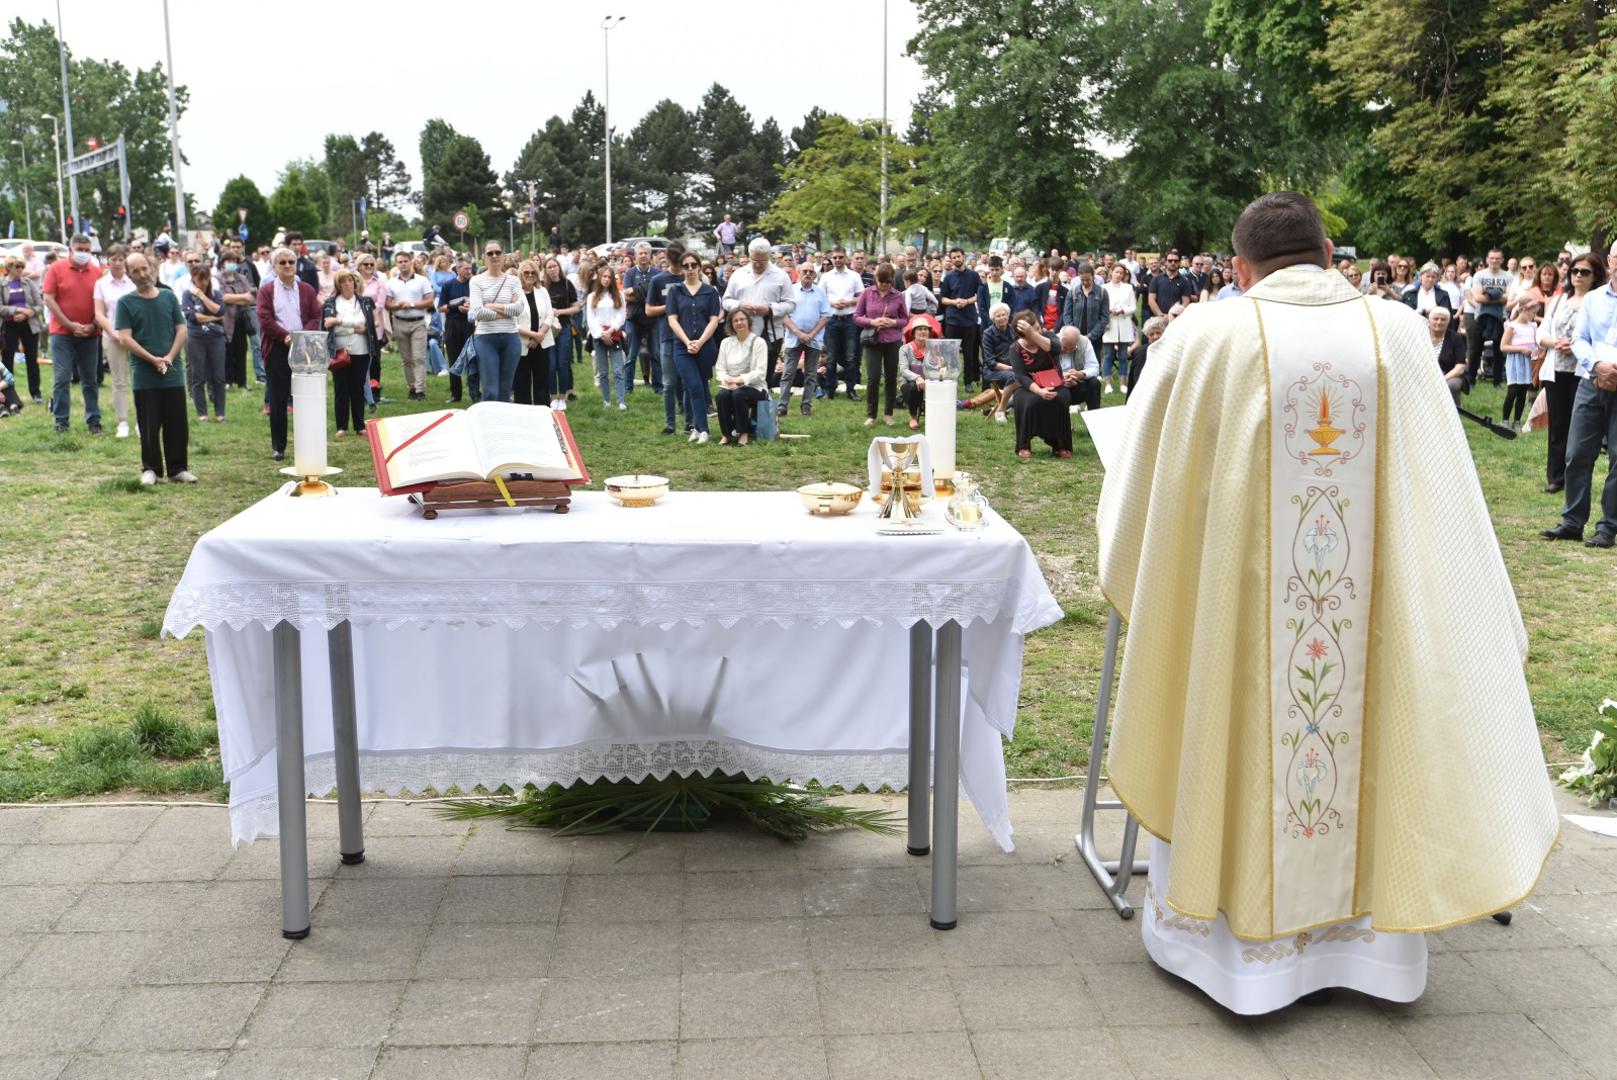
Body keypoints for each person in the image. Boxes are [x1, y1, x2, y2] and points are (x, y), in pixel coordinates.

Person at [1097, 191, 1557, 1016]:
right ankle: (1369, 958)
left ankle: (1235, 962)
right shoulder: (1399, 333)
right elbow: (1441, 492)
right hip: (1373, 612)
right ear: (1328, 250)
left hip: (1234, 619)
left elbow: (1142, 486)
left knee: (1235, 724)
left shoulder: (1204, 333)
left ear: (1238, 268)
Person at [1541, 246, 1617, 549]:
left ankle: (1608, 527)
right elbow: (1580, 340)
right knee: (1576, 455)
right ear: (1610, 262)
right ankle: (1572, 522)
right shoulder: (1593, 299)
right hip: (1591, 380)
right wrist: (1598, 366)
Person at [115, 253, 193, 486]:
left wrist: (168, 357)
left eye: (144, 268)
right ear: (129, 275)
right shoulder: (126, 302)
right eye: (136, 271)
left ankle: (178, 468)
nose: (142, 274)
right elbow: (124, 338)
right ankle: (151, 469)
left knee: (177, 423)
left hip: (172, 371)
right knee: (149, 425)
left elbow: (181, 330)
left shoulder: (168, 297)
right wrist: (152, 359)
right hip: (144, 374)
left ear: (152, 268)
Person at [1537, 252, 1599, 495]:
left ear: (1595, 276)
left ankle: (1576, 476)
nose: (1578, 276)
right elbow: (1541, 332)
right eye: (1575, 271)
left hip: (1583, 372)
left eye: (1585, 272)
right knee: (1558, 425)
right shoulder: (1559, 300)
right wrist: (1554, 343)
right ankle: (1555, 477)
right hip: (1557, 369)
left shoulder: (1597, 301)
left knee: (1580, 427)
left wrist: (1578, 346)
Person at [255, 247, 321, 462]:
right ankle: (279, 447)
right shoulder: (266, 291)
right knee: (278, 399)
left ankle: (307, 441)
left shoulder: (307, 289)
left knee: (305, 397)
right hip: (277, 348)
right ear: (274, 266)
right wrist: (284, 336)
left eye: (291, 262)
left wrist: (301, 336)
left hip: (304, 348)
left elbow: (315, 315)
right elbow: (265, 319)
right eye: (282, 262)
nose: (287, 266)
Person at [42, 233, 104, 434]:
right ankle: (61, 422)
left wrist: (93, 325)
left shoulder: (96, 272)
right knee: (61, 378)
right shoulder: (55, 269)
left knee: (90, 379)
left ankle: (94, 421)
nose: (84, 254)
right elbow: (49, 299)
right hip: (62, 333)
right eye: (80, 250)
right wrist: (69, 324)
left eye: (87, 250)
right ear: (70, 249)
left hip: (90, 333)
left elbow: (101, 302)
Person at [721, 237, 796, 385]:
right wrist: (740, 305)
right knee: (740, 378)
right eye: (754, 260)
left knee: (764, 380)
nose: (757, 265)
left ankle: (762, 407)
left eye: (762, 261)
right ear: (749, 255)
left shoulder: (780, 276)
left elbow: (791, 304)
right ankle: (742, 406)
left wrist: (769, 309)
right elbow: (726, 301)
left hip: (770, 335)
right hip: (742, 335)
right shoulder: (738, 275)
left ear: (769, 256)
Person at [666, 251, 722, 444]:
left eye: (693, 265)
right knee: (694, 385)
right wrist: (687, 341)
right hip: (682, 347)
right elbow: (672, 320)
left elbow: (714, 320)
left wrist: (700, 342)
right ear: (681, 268)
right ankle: (704, 429)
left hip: (705, 346)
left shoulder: (710, 292)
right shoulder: (675, 291)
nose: (690, 269)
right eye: (686, 265)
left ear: (699, 267)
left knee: (699, 386)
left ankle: (697, 428)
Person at [1005, 309, 1073, 458]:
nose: (1039, 330)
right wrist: (1040, 391)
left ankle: (1060, 444)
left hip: (1055, 383)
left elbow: (1056, 348)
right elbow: (1021, 377)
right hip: (1029, 387)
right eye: (1033, 329)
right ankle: (1024, 444)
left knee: (1060, 400)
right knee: (1029, 402)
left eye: (1037, 326)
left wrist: (1034, 334)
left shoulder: (1048, 336)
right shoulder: (1015, 348)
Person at [467, 241, 526, 404]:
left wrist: (491, 306)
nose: (494, 256)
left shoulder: (513, 280)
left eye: (498, 252)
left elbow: (519, 308)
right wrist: (506, 311)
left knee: (505, 391)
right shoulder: (476, 281)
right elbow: (477, 311)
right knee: (490, 391)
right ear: (484, 257)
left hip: (510, 338)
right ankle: (488, 425)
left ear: (503, 256)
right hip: (485, 338)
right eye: (490, 253)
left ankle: (503, 427)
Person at [322, 269, 378, 438]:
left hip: (361, 350)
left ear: (355, 282)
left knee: (358, 388)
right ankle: (341, 426)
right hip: (340, 351)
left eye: (350, 281)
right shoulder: (331, 303)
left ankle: (359, 425)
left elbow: (368, 323)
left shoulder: (365, 301)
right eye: (343, 281)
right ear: (338, 285)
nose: (347, 284)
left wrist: (340, 321)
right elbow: (329, 325)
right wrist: (354, 328)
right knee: (341, 389)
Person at [90, 244, 137, 438]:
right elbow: (100, 314)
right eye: (113, 259)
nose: (117, 263)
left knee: (139, 380)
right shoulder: (101, 284)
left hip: (135, 337)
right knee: (119, 381)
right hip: (112, 336)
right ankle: (123, 422)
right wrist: (114, 332)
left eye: (120, 259)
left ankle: (142, 421)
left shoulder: (133, 283)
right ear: (107, 260)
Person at [854, 263, 907, 427]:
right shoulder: (867, 293)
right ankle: (871, 415)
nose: (883, 285)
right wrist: (872, 321)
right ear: (876, 278)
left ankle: (888, 413)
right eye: (880, 281)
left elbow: (905, 319)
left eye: (887, 282)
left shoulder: (898, 296)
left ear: (892, 281)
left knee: (891, 378)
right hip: (872, 341)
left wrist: (892, 322)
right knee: (873, 378)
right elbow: (856, 316)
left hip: (892, 341)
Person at [779, 261, 829, 417]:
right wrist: (799, 333)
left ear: (814, 274)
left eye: (810, 271)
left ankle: (806, 405)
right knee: (788, 373)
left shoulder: (820, 292)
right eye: (804, 271)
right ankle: (782, 406)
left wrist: (812, 334)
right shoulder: (790, 291)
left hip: (814, 339)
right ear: (798, 272)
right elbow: (783, 315)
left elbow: (826, 315)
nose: (808, 273)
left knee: (811, 374)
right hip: (794, 338)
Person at [384, 250, 435, 401]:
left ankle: (420, 390)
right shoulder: (391, 282)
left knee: (419, 357)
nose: (403, 264)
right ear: (396, 264)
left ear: (411, 261)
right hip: (400, 322)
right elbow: (387, 303)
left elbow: (429, 300)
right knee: (406, 359)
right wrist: (397, 306)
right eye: (400, 262)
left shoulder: (422, 280)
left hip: (418, 322)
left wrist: (412, 304)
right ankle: (411, 387)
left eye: (405, 261)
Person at [712, 308, 767, 445]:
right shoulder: (726, 343)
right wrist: (728, 380)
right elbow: (720, 369)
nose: (739, 323)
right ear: (731, 324)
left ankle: (743, 434)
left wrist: (739, 380)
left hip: (756, 388)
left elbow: (760, 373)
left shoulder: (759, 342)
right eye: (735, 320)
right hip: (730, 386)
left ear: (748, 321)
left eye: (742, 319)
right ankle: (726, 434)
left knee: (739, 395)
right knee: (721, 396)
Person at [181, 263, 228, 423]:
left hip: (216, 338)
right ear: (193, 278)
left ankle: (220, 412)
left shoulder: (216, 294)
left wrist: (202, 296)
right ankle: (202, 413)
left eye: (206, 279)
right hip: (195, 338)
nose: (203, 282)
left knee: (219, 376)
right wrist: (214, 318)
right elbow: (193, 317)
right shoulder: (187, 294)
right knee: (198, 376)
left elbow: (220, 310)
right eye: (199, 279)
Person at [819, 247, 864, 400]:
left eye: (840, 257)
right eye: (835, 257)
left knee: (851, 356)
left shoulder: (854, 276)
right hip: (832, 320)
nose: (837, 260)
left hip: (849, 319)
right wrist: (832, 303)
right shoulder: (826, 277)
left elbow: (861, 297)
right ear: (831, 258)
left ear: (846, 258)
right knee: (831, 357)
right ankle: (829, 389)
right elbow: (820, 298)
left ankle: (851, 389)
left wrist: (848, 302)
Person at [1, 256, 45, 404]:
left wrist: (29, 313)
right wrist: (17, 310)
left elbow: (40, 304)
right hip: (9, 326)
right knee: (7, 361)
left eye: (22, 266)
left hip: (29, 325)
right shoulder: (1, 284)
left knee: (32, 360)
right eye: (17, 266)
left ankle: (35, 392)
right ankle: (9, 394)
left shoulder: (29, 283)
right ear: (9, 268)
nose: (20, 269)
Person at [586, 263, 629, 409]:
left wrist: (611, 331)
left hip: (614, 334)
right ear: (599, 278)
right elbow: (590, 318)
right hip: (599, 336)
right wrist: (601, 334)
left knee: (618, 370)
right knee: (603, 371)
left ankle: (621, 401)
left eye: (609, 277)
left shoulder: (619, 295)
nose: (606, 279)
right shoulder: (592, 297)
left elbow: (621, 316)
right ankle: (607, 400)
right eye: (604, 276)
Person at [513, 260, 555, 406]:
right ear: (520, 274)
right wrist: (533, 335)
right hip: (521, 345)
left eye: (533, 273)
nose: (530, 275)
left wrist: (539, 336)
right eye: (526, 273)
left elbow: (550, 315)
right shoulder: (514, 294)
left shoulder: (542, 291)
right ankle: (523, 418)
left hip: (541, 344)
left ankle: (543, 413)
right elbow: (513, 322)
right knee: (521, 383)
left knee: (542, 382)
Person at [938, 247, 982, 386]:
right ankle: (949, 379)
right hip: (953, 319)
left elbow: (979, 295)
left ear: (963, 257)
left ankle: (968, 381)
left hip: (969, 319)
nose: (956, 259)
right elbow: (943, 299)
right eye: (954, 257)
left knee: (969, 353)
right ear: (951, 260)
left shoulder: (973, 276)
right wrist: (954, 302)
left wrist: (967, 301)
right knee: (949, 352)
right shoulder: (948, 277)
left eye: (958, 256)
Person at [1468, 248, 1512, 387]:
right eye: (1492, 258)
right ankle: (1470, 380)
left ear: (1502, 260)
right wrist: (1499, 295)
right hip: (1481, 316)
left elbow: (1509, 298)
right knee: (1475, 350)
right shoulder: (1479, 275)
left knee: (1499, 351)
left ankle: (1497, 381)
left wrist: (1488, 294)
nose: (1494, 261)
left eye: (1497, 258)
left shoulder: (1508, 277)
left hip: (1501, 318)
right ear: (1487, 259)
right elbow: (1477, 298)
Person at [543, 256, 579, 412]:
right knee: (550, 364)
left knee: (562, 363)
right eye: (549, 267)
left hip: (564, 327)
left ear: (559, 267)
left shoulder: (566, 284)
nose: (552, 269)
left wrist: (559, 312)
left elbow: (576, 307)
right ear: (545, 270)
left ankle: (562, 396)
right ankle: (553, 397)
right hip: (547, 329)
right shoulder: (543, 286)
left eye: (554, 266)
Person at [622, 242, 657, 395]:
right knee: (631, 355)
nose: (643, 256)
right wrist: (647, 295)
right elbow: (627, 297)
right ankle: (627, 388)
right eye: (640, 253)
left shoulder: (657, 273)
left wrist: (636, 292)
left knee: (656, 354)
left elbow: (658, 297)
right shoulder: (629, 273)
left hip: (653, 320)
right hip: (633, 319)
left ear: (650, 256)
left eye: (646, 253)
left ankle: (659, 387)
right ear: (635, 256)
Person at [218, 251, 256, 392]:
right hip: (226, 319)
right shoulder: (218, 278)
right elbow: (223, 297)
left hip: (241, 320)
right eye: (229, 260)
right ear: (223, 262)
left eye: (234, 260)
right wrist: (242, 297)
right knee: (227, 350)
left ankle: (242, 381)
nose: (231, 263)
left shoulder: (241, 278)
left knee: (241, 350)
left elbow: (251, 297)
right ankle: (227, 380)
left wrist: (237, 297)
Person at [1498, 299, 1539, 428]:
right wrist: (1520, 349)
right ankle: (1505, 420)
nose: (1534, 316)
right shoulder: (1512, 326)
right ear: (1523, 310)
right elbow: (1503, 346)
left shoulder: (1532, 326)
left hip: (1527, 361)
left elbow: (1536, 343)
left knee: (1523, 391)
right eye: (1532, 313)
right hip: (1515, 362)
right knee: (1513, 391)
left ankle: (1517, 420)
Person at [438, 259, 473, 404]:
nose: (469, 271)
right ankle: (455, 394)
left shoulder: (475, 284)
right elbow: (441, 307)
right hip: (453, 324)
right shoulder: (448, 285)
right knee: (453, 358)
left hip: (471, 324)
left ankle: (474, 392)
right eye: (465, 269)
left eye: (470, 268)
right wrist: (456, 308)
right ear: (457, 270)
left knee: (473, 358)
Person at [898, 312, 941, 429]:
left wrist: (939, 363)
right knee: (912, 387)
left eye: (926, 329)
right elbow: (903, 370)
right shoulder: (904, 349)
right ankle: (913, 417)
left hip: (929, 382)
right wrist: (917, 378)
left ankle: (938, 417)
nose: (923, 332)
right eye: (920, 329)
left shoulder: (934, 348)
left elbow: (938, 369)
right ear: (913, 333)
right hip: (909, 383)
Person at [1100, 264, 1136, 395]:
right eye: (1117, 272)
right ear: (1111, 272)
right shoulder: (1103, 287)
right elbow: (1100, 306)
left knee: (1123, 356)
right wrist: (1108, 310)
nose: (1119, 275)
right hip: (1109, 324)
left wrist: (1123, 310)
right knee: (1108, 355)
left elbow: (1133, 307)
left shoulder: (1128, 288)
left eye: (1121, 273)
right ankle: (1108, 384)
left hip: (1124, 323)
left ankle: (1122, 383)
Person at [1063, 263, 1107, 365]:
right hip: (1075, 337)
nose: (1085, 282)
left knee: (1093, 366)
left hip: (1095, 337)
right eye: (1082, 280)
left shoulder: (1102, 292)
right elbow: (1067, 314)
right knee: (1075, 365)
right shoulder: (1073, 292)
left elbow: (1104, 317)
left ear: (1093, 276)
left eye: (1088, 279)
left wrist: (1092, 335)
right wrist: (1075, 333)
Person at [1055, 325, 1100, 411]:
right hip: (1058, 388)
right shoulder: (1051, 343)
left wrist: (1081, 374)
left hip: (1077, 384)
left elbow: (1095, 368)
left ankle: (1094, 414)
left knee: (1094, 383)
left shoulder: (1084, 342)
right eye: (1064, 347)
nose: (1068, 351)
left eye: (1072, 348)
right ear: (1059, 338)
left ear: (1077, 341)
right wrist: (1061, 379)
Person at [1429, 307, 1468, 406]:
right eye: (1436, 319)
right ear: (1429, 320)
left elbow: (1460, 367)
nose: (1439, 322)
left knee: (1452, 385)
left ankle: (1455, 413)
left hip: (1450, 375)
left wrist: (1442, 379)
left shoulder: (1456, 338)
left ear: (1448, 322)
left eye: (1443, 320)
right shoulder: (1422, 336)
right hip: (1427, 374)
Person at [1126, 316, 1169, 395]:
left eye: (1158, 333)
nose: (1155, 337)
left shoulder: (1170, 350)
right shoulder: (1140, 353)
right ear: (1147, 336)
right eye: (1151, 334)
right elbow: (1135, 380)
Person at [1148, 253, 1186, 319]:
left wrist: (1176, 315)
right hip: (1159, 318)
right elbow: (1151, 300)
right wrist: (1161, 315)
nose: (1173, 263)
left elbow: (1186, 301)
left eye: (1176, 261)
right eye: (1170, 260)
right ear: (1165, 262)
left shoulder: (1184, 281)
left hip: (1177, 318)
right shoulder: (1156, 279)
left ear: (1179, 263)